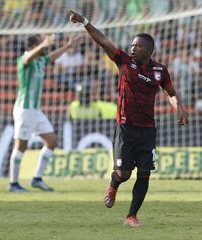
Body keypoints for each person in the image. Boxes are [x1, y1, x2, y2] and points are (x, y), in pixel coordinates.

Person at [69, 10, 188, 227]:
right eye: (132, 44)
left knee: (144, 173)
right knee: (123, 174)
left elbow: (170, 93)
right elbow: (102, 40)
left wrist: (178, 107)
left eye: (138, 45)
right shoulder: (124, 61)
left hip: (148, 130)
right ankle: (114, 184)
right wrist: (84, 21)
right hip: (125, 127)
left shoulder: (160, 71)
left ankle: (131, 216)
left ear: (149, 50)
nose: (133, 47)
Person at [8, 34, 83, 192]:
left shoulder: (41, 61)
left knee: (52, 141)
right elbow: (27, 59)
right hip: (24, 110)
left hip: (36, 111)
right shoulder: (24, 60)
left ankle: (37, 178)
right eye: (41, 44)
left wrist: (67, 46)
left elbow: (52, 57)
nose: (46, 47)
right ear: (33, 45)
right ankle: (13, 183)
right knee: (21, 145)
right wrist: (43, 44)